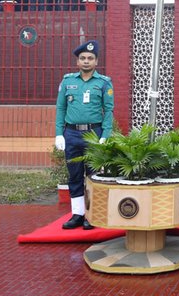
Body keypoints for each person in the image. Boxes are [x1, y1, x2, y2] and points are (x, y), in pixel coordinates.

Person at [54, 40, 114, 230]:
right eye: (83, 58)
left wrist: (105, 135)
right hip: (71, 134)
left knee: (93, 175)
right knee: (74, 175)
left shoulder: (103, 83)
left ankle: (91, 214)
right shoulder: (68, 81)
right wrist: (59, 134)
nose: (86, 61)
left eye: (90, 58)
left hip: (93, 134)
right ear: (77, 62)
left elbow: (109, 110)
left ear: (96, 62)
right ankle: (77, 214)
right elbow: (61, 108)